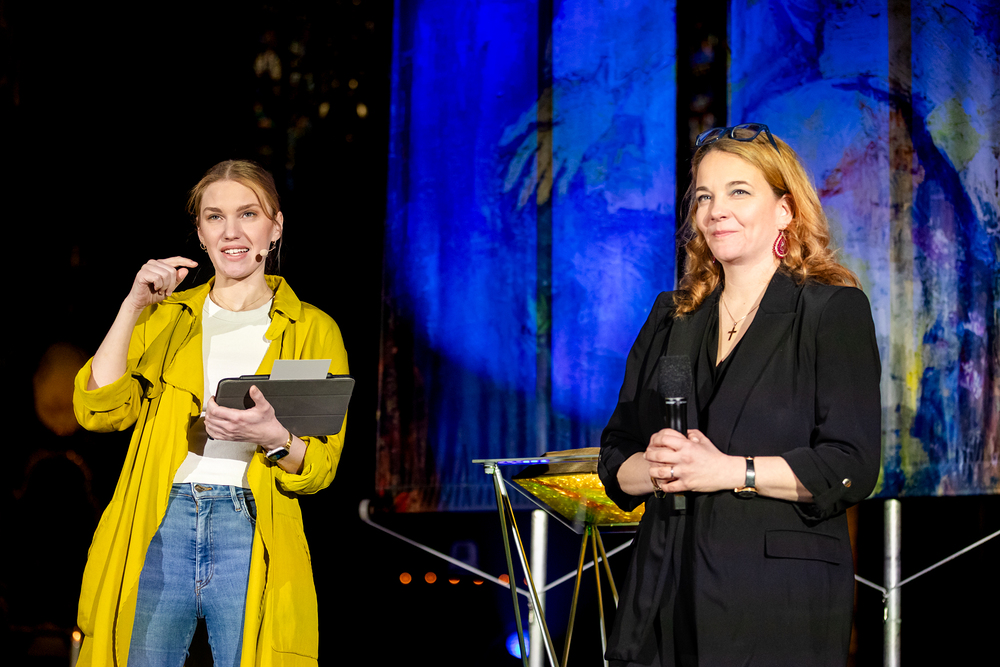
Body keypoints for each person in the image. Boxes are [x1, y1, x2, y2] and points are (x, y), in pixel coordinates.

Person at [598, 124, 881, 667]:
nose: (716, 211)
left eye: (738, 191)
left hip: (775, 605)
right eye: (704, 196)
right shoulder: (670, 317)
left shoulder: (831, 312)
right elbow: (616, 456)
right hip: (662, 596)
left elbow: (851, 466)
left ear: (785, 209)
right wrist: (658, 469)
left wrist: (728, 471)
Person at [73, 160, 349, 666]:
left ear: (276, 226)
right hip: (161, 522)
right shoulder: (167, 316)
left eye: (248, 214)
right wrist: (132, 306)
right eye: (215, 217)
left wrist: (273, 435)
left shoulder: (311, 329)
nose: (231, 231)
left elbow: (318, 470)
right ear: (200, 233)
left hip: (249, 526)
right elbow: (100, 408)